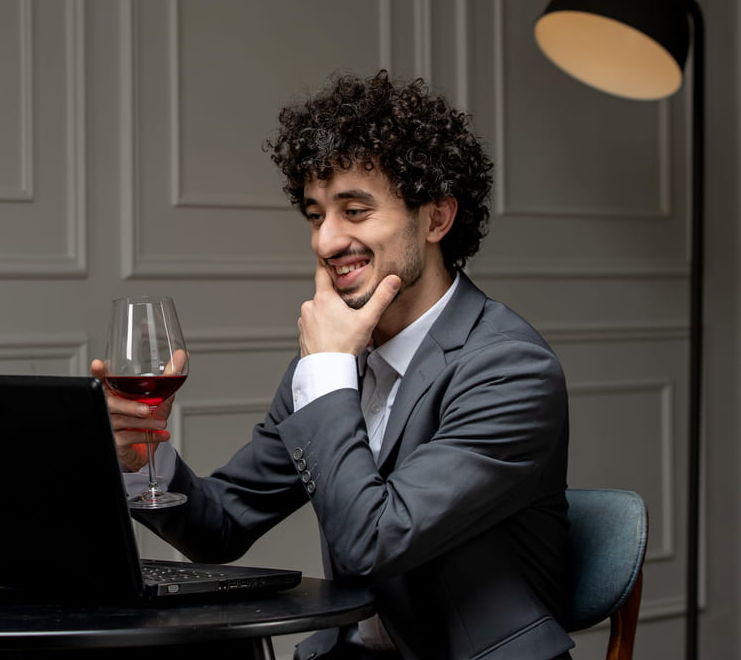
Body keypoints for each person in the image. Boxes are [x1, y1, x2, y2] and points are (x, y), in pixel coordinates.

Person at [93, 70, 573, 660]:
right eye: (317, 215)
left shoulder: (509, 369)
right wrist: (147, 460)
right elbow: (220, 526)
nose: (325, 241)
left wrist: (325, 369)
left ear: (436, 219)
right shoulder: (337, 357)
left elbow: (371, 544)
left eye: (355, 210)